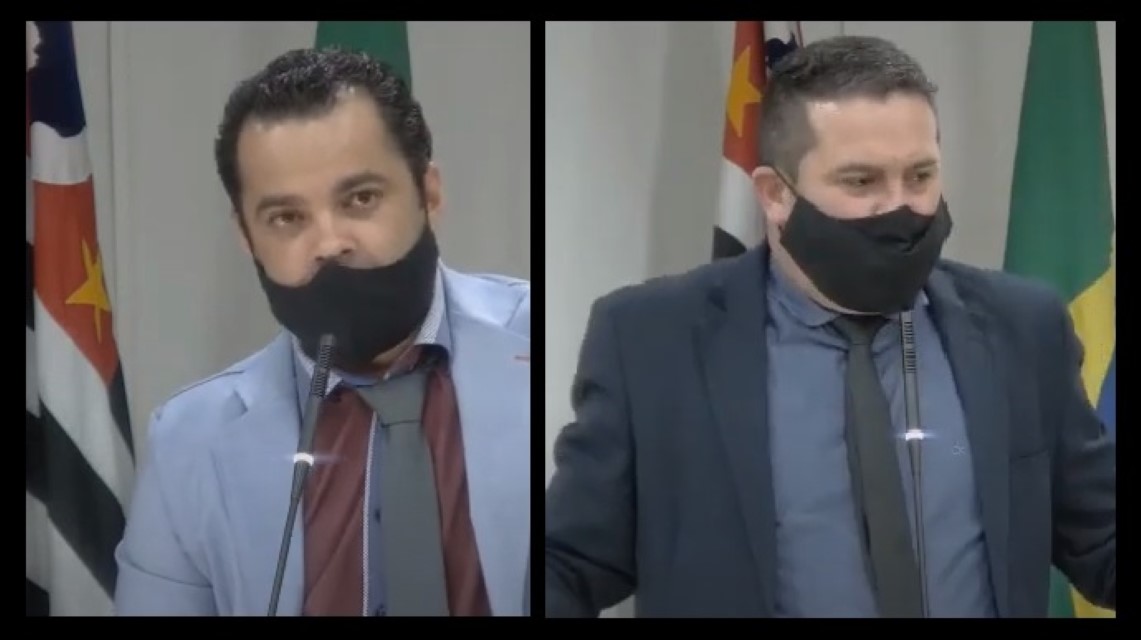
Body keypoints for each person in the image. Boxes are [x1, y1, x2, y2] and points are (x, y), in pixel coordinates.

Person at [545, 35, 1115, 618]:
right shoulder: (652, 342)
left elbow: (1100, 536)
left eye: (920, 176)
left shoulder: (1023, 329)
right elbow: (568, 565)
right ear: (774, 194)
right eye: (861, 182)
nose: (900, 207)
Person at [114, 47, 530, 616]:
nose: (330, 242)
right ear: (247, 237)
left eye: (361, 198)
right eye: (287, 217)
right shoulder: (188, 443)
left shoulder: (545, 344)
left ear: (429, 194)